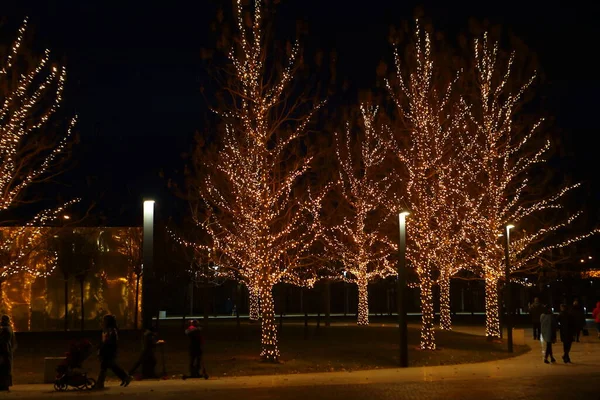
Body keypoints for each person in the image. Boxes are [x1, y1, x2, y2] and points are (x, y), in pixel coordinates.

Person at [96, 315, 131, 389]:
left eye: (104, 321)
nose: (103, 322)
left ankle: (100, 383)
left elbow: (109, 342)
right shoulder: (108, 330)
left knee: (106, 366)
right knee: (110, 366)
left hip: (108, 351)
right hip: (106, 351)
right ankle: (125, 377)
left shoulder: (112, 331)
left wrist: (103, 348)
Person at [0, 315, 16, 391]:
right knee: (7, 369)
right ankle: (6, 385)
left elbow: (3, 342)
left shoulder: (5, 330)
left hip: (4, 352)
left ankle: (4, 385)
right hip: (9, 351)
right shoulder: (10, 329)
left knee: (4, 369)